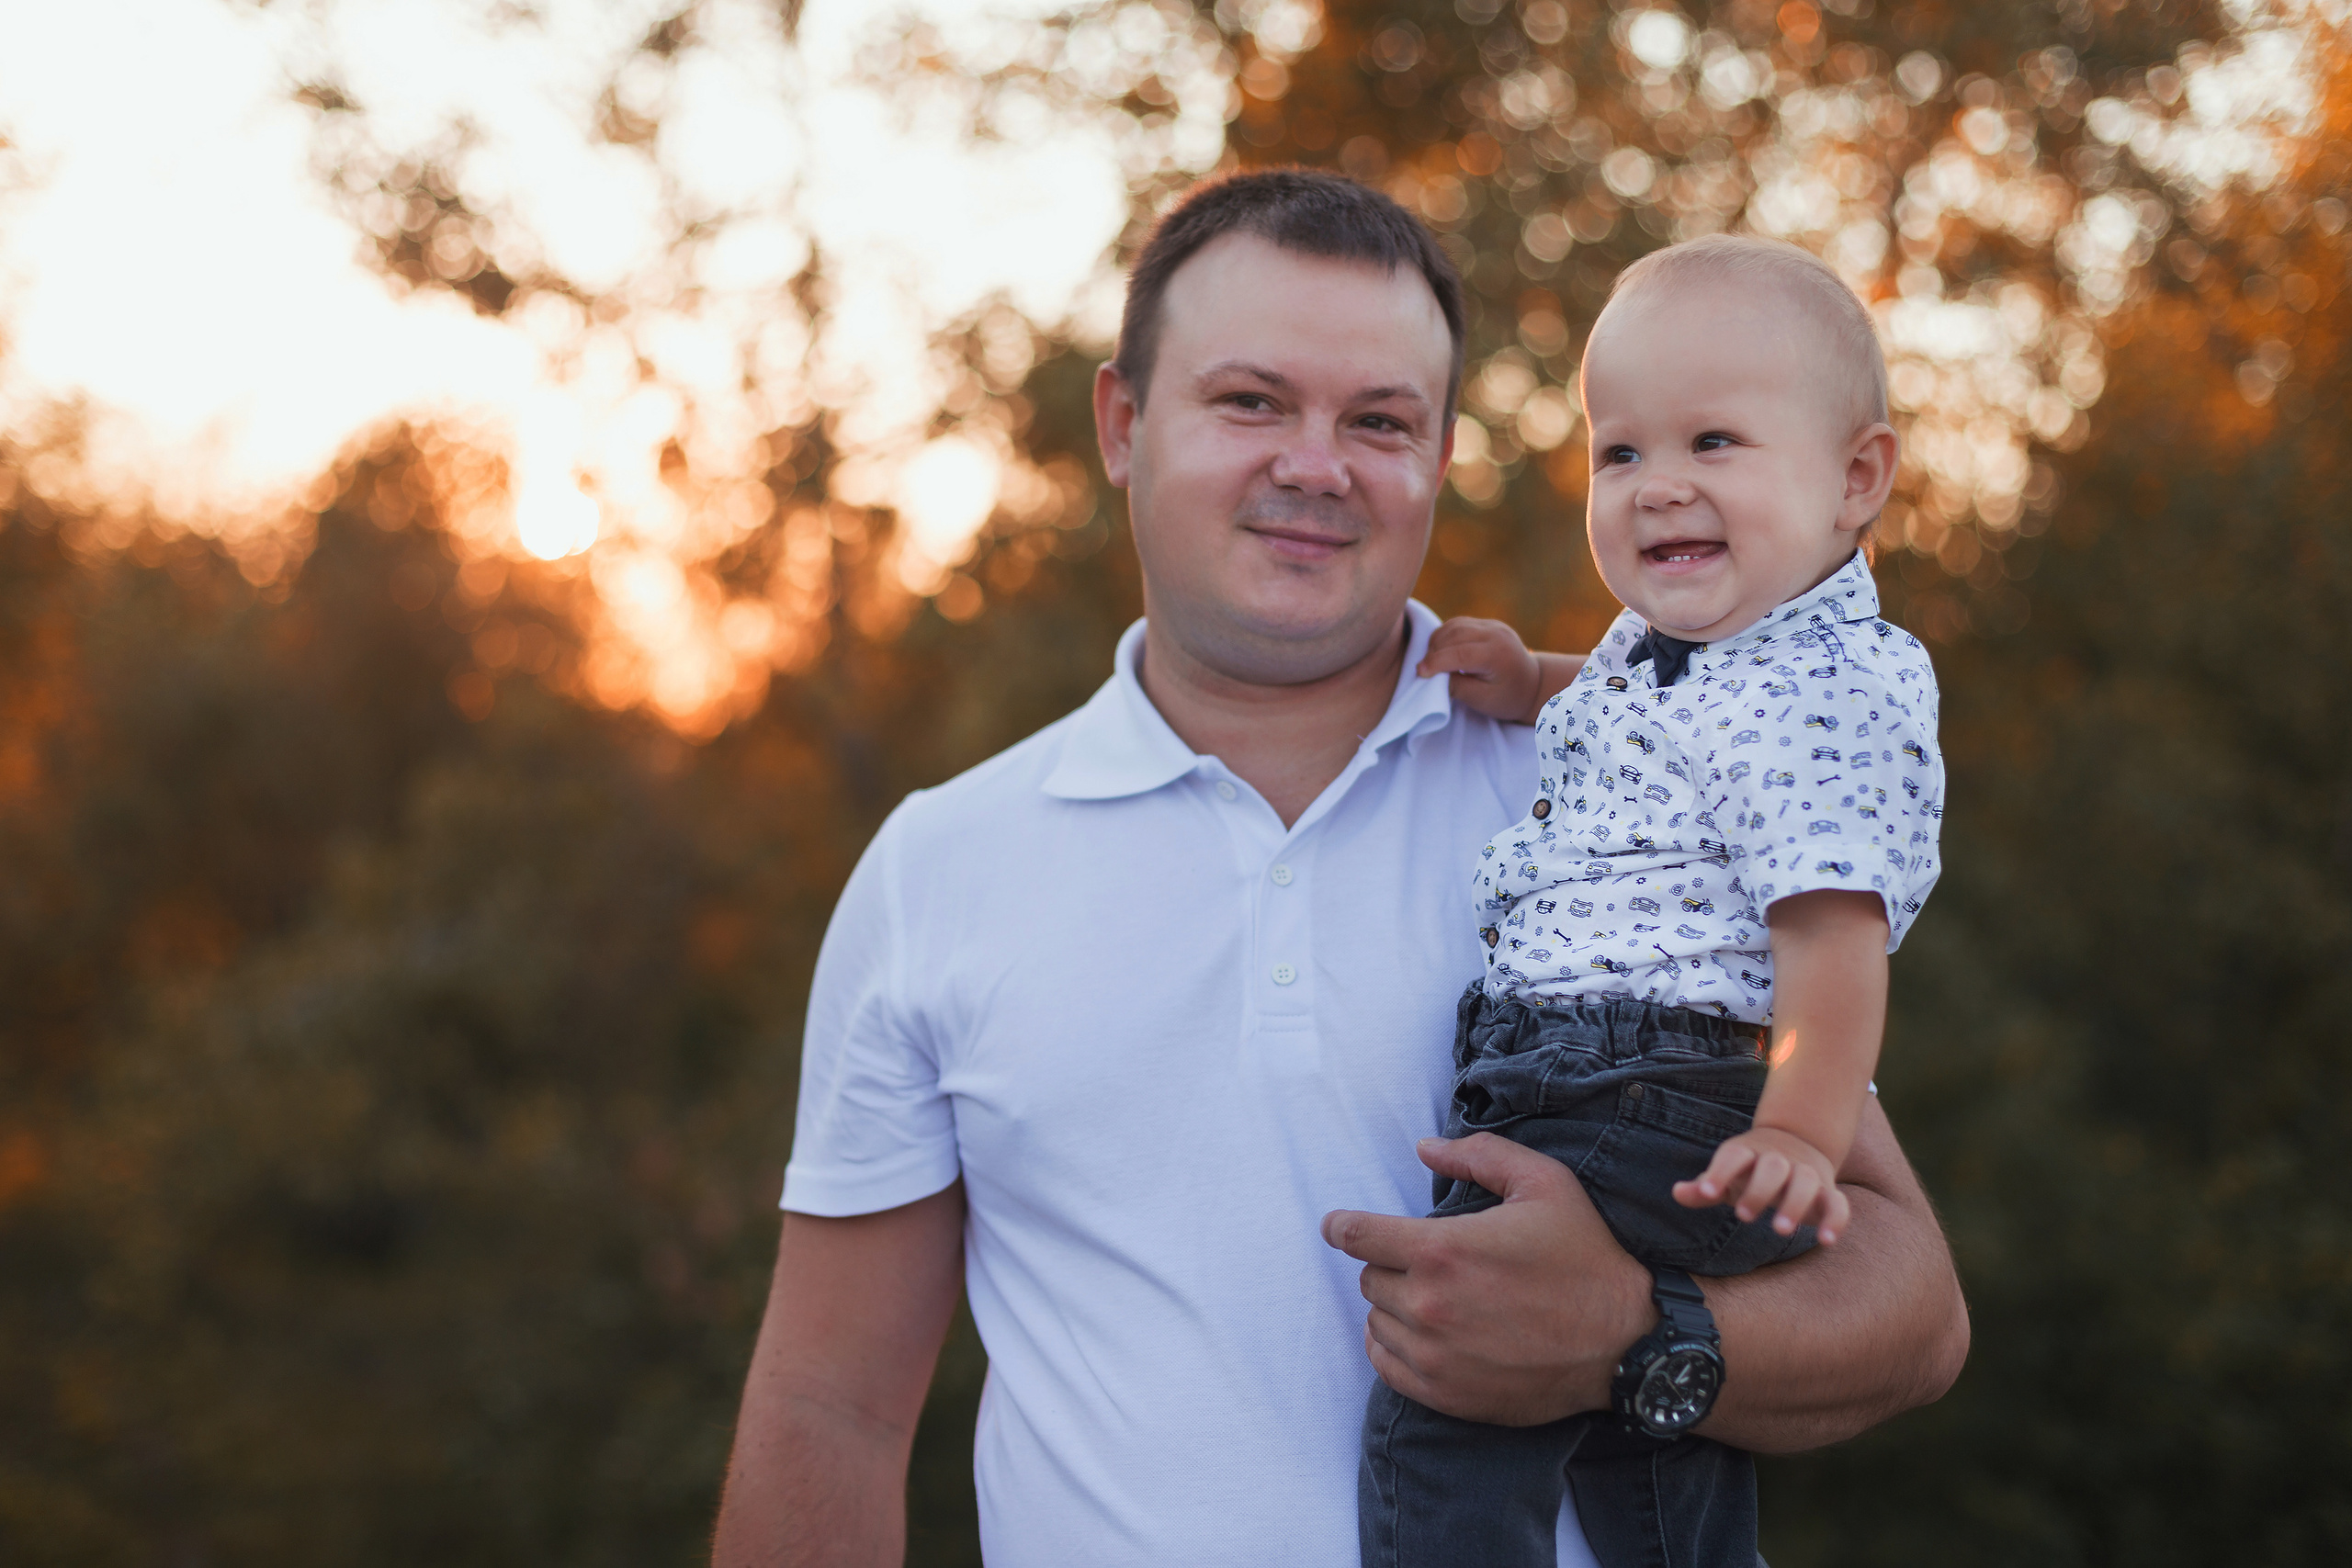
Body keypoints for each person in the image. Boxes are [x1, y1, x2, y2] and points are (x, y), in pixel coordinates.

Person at [709, 171, 1968, 1568]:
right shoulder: (939, 870)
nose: (1316, 464)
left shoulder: (1613, 799)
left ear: (1439, 458)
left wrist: (1628, 1337)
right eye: (1251, 402)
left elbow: (1913, 1310)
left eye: (1379, 421)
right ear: (1125, 426)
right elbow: (831, 1411)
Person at [1358, 235, 1942, 1568]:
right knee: (1650, 1451)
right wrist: (1536, 673)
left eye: (1716, 443)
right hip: (1629, 1085)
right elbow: (1657, 721)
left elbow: (1835, 941)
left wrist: (1800, 1127)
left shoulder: (1823, 692)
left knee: (1448, 1399)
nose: (1658, 487)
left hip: (1636, 1090)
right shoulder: (1702, 646)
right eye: (1620, 454)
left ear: (1859, 479)